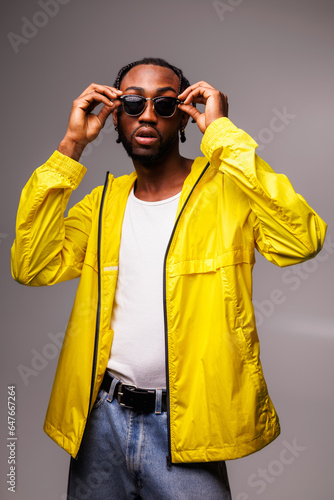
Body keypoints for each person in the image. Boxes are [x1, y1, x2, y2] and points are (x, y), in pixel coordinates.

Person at [11, 57, 327, 500]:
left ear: (182, 117)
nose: (147, 114)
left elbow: (301, 239)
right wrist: (70, 147)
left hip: (189, 425)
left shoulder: (226, 191)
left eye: (163, 104)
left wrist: (222, 136)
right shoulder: (103, 205)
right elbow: (31, 263)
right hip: (101, 423)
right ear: (115, 117)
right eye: (133, 102)